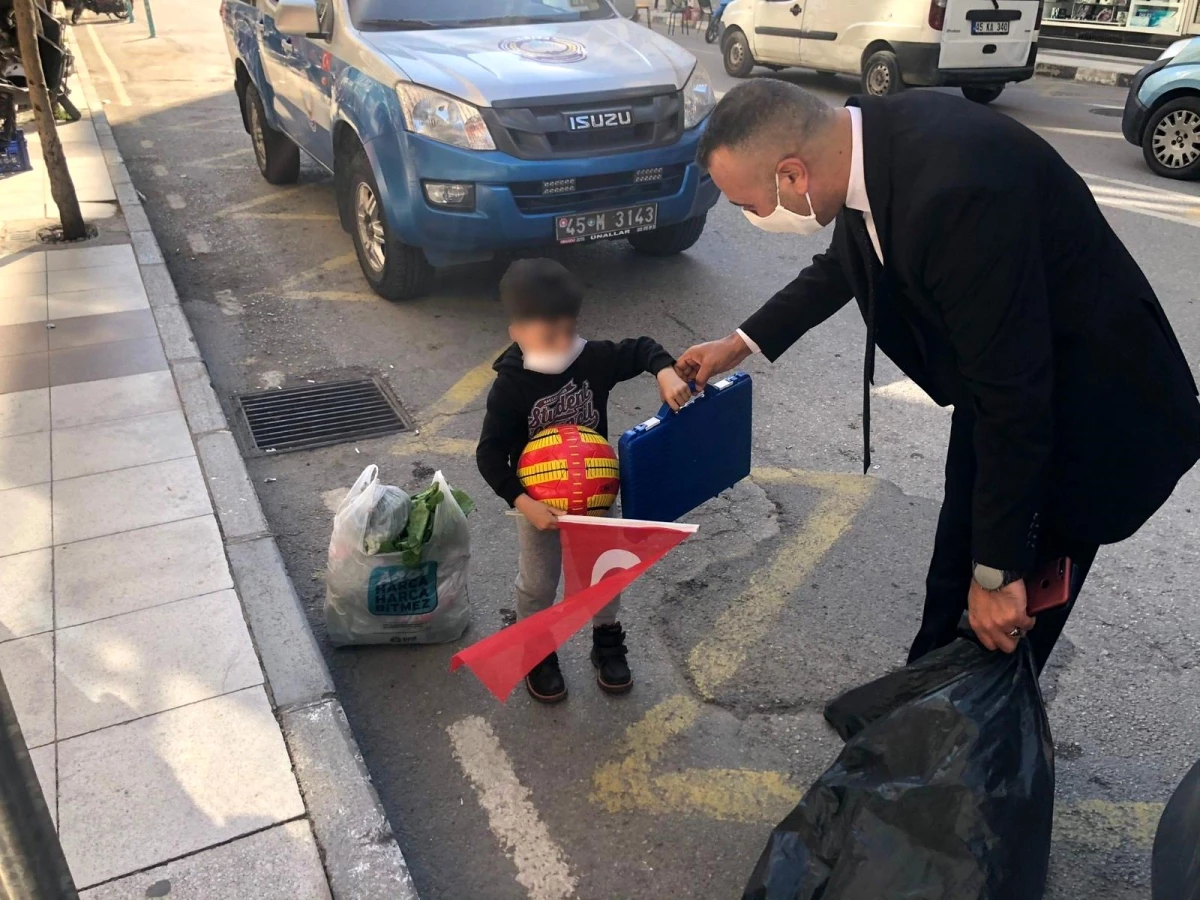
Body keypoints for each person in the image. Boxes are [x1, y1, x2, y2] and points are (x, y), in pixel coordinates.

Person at [677, 79, 1200, 670]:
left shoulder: (957, 195)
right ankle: (919, 705)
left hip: (1088, 414)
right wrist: (739, 344)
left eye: (748, 205)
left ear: (792, 175)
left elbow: (1017, 397)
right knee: (957, 558)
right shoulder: (863, 144)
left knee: (1007, 616)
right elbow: (846, 264)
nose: (751, 218)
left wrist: (1000, 570)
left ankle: (976, 746)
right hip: (1002, 391)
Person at [476, 258, 692, 702]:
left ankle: (606, 640)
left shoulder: (592, 358)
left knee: (603, 575)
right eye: (546, 336)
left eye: (567, 331)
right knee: (537, 584)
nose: (560, 344)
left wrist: (665, 369)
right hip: (539, 506)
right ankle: (537, 647)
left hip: (597, 498)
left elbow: (642, 347)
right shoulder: (511, 386)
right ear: (515, 331)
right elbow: (490, 454)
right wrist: (523, 502)